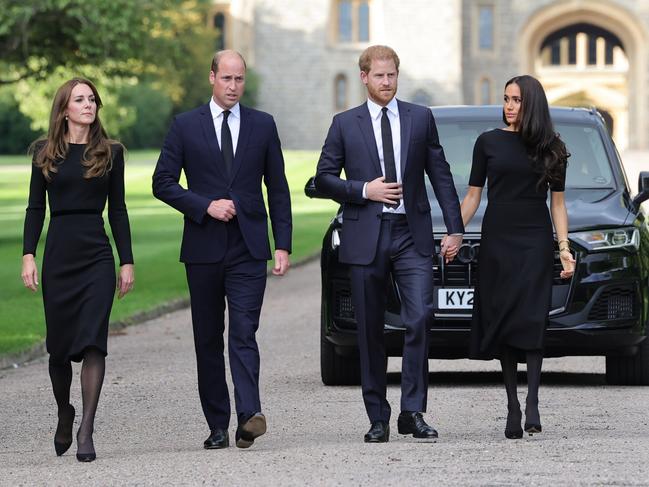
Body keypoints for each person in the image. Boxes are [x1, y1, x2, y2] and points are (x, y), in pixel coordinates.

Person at [315, 45, 464, 443]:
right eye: (379, 76)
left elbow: (441, 174)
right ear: (364, 77)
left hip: (411, 235)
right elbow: (324, 178)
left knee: (420, 317)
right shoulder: (345, 124)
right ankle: (377, 417)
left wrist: (455, 227)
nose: (387, 82)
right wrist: (365, 189)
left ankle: (412, 412)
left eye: (392, 75)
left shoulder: (420, 118)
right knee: (369, 330)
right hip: (366, 234)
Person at [152, 50, 292, 450]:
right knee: (208, 339)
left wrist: (282, 244)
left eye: (240, 79)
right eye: (227, 79)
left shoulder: (262, 126)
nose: (233, 87)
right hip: (203, 247)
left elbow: (278, 189)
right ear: (212, 77)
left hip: (249, 248)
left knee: (244, 332)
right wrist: (204, 205)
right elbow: (162, 182)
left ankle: (249, 415)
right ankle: (217, 424)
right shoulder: (184, 126)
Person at [21, 78, 135, 462]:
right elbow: (36, 208)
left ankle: (86, 428)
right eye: (80, 100)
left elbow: (118, 210)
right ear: (64, 108)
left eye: (92, 100)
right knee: (58, 349)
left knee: (93, 342)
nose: (88, 105)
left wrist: (127, 261)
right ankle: (65, 412)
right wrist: (27, 255)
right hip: (59, 255)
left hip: (97, 256)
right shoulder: (44, 152)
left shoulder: (111, 152)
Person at [456, 75, 575, 439]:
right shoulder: (488, 142)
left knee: (532, 317)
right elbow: (474, 196)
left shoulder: (553, 147)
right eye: (506, 99)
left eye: (516, 100)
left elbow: (558, 204)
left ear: (532, 104)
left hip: (535, 241)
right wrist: (454, 231)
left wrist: (564, 249)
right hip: (498, 241)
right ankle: (512, 404)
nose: (508, 105)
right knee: (505, 320)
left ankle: (533, 401)